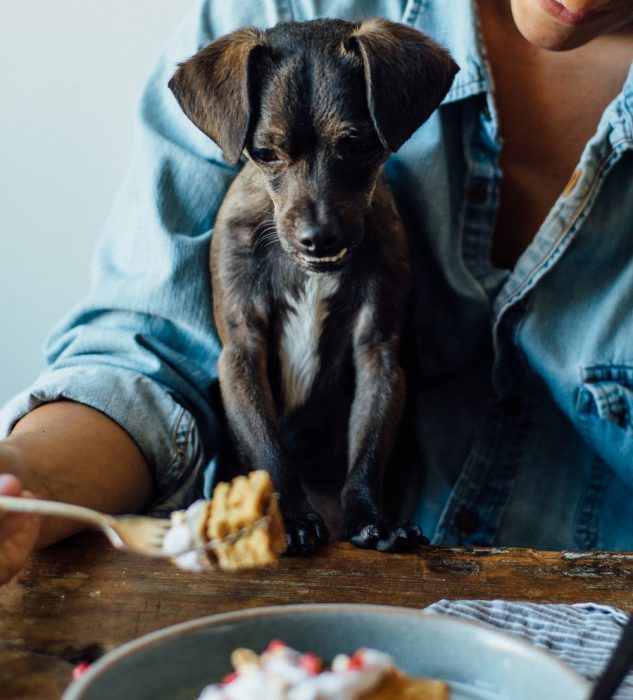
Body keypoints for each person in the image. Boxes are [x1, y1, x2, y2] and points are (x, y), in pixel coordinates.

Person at [1, 0, 632, 584]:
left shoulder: (388, 79)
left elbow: (378, 353)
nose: (313, 220)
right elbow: (141, 356)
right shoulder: (277, 16)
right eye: (269, 155)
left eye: (353, 148)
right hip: (258, 570)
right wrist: (23, 478)